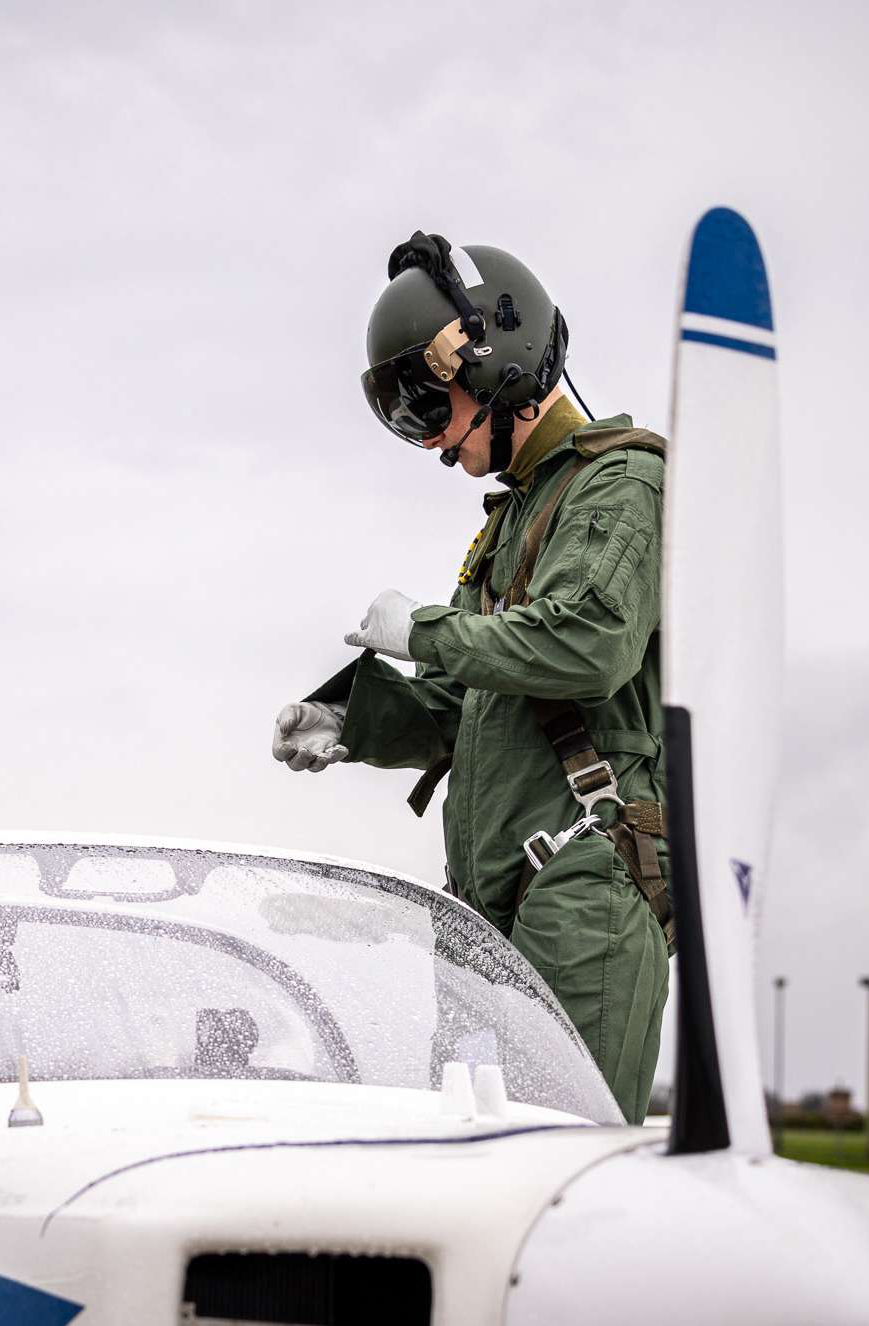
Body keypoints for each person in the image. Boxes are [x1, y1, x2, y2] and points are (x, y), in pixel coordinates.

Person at [270, 232, 670, 1123]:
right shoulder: (512, 523)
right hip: (486, 908)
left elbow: (586, 647)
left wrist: (426, 628)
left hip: (582, 890)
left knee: (567, 1172)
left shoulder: (620, 485)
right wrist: (353, 716)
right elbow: (468, 707)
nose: (430, 441)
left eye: (429, 407)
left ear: (497, 367)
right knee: (464, 1172)